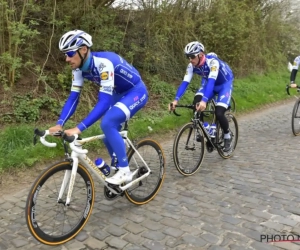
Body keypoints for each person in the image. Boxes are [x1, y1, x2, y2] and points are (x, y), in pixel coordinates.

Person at [49, 29, 149, 185]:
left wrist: (78, 128)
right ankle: (117, 160)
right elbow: (74, 98)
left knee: (108, 122)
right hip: (118, 92)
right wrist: (60, 123)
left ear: (83, 50)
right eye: (64, 55)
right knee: (107, 127)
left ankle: (125, 170)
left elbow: (103, 102)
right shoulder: (78, 69)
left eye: (69, 54)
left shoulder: (104, 64)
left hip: (135, 91)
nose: (66, 59)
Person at [169, 41, 234, 152]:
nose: (190, 59)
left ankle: (227, 135)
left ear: (200, 55)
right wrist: (175, 100)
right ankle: (206, 128)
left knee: (219, 112)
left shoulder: (213, 63)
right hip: (209, 82)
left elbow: (211, 82)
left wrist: (205, 101)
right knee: (196, 103)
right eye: (187, 57)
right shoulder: (191, 66)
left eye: (192, 56)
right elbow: (185, 83)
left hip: (224, 84)